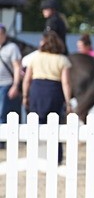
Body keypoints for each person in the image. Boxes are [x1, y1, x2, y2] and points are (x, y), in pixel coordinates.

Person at [21, 31, 73, 163]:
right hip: (54, 91)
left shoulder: (35, 57)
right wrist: (68, 102)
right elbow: (66, 83)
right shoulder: (63, 60)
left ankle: (34, 155)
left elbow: (27, 79)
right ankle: (57, 157)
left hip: (37, 90)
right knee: (54, 124)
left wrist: (25, 95)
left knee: (35, 123)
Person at [0, 24, 24, 141]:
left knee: (2, 112)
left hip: (6, 84)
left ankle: (2, 140)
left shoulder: (12, 47)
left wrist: (15, 85)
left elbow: (17, 67)